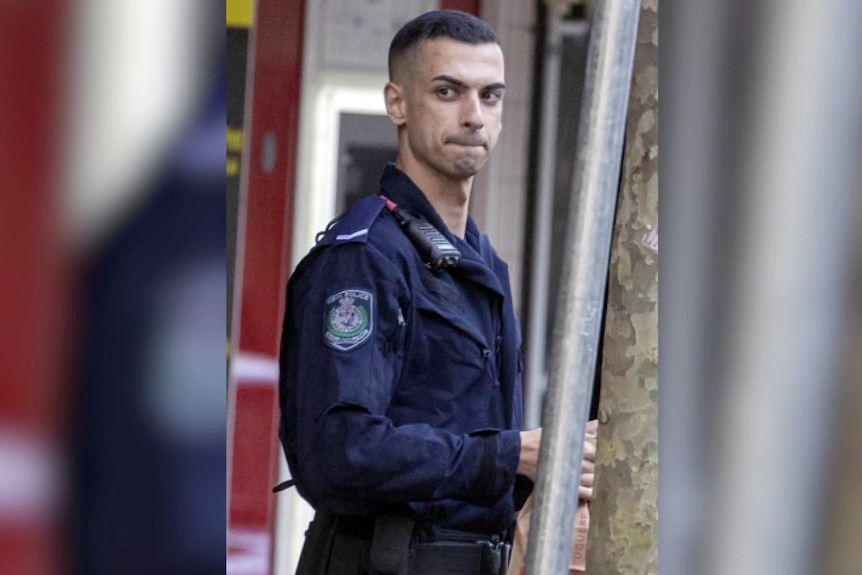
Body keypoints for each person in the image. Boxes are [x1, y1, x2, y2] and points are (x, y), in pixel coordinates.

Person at [278, 10, 594, 575]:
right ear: (397, 103)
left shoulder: (481, 264)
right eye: (448, 92)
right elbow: (338, 450)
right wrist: (512, 455)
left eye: (491, 96)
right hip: (380, 560)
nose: (474, 116)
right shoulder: (364, 258)